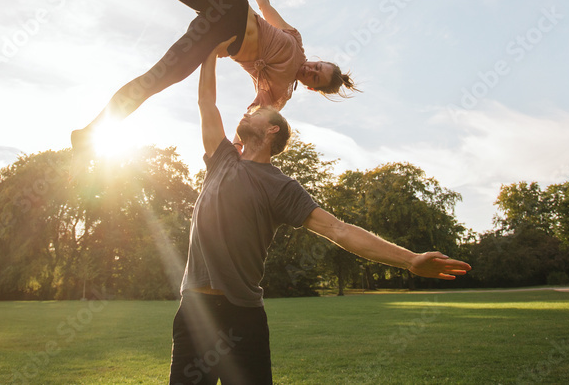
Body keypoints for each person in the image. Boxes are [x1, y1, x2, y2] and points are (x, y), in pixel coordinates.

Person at [168, 47, 471, 384]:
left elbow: (339, 230)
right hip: (194, 311)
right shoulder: (222, 159)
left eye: (259, 113)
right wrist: (209, 49)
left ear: (272, 131)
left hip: (243, 319)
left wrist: (410, 260)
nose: (249, 111)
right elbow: (206, 103)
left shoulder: (282, 187)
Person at [28, 0, 356, 153]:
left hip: (214, 38)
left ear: (312, 88)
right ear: (319, 58)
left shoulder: (281, 93)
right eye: (319, 65)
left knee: (154, 80)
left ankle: (90, 134)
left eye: (315, 76)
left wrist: (237, 149)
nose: (311, 68)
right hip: (229, 4)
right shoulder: (296, 40)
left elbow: (256, 114)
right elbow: (266, 8)